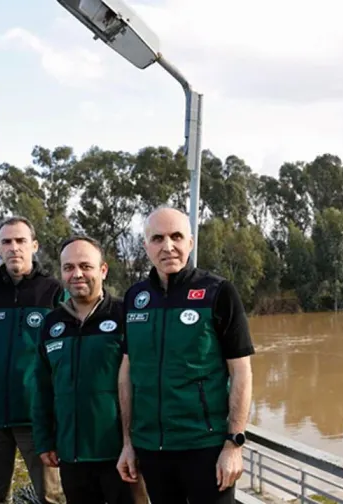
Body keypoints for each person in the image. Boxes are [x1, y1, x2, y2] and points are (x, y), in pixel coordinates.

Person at [116, 206, 255, 504]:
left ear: (190, 242)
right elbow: (127, 373)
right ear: (146, 247)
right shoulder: (135, 298)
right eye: (157, 238)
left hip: (205, 447)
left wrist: (234, 444)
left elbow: (241, 371)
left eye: (176, 236)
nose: (168, 246)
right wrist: (128, 442)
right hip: (152, 449)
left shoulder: (218, 292)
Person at [0, 216, 65, 504]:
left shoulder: (53, 291)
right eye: (7, 241)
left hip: (37, 417)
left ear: (34, 245)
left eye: (20, 241)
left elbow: (66, 356)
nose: (14, 247)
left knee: (51, 496)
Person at [33, 235, 148, 504]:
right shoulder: (51, 324)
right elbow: (42, 387)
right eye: (68, 267)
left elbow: (145, 383)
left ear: (103, 270)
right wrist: (44, 440)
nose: (77, 274)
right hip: (72, 455)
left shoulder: (126, 316)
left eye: (85, 266)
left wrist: (137, 444)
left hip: (122, 454)